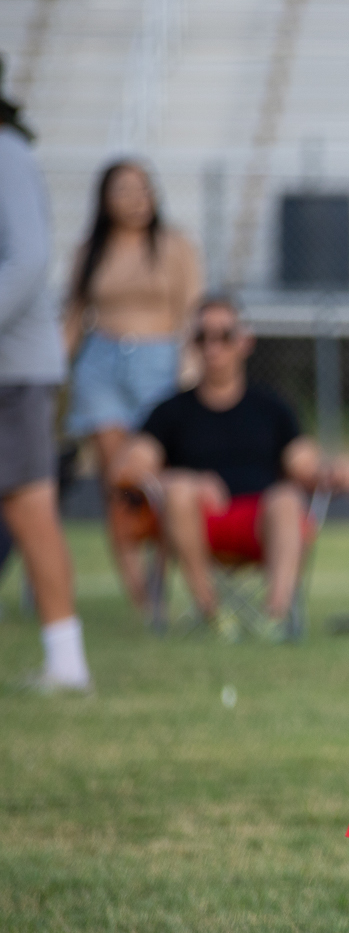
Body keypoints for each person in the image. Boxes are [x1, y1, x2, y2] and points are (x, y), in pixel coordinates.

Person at [118, 298, 349, 641]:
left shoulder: (272, 407)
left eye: (224, 336)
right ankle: (211, 611)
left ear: (244, 342)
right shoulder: (170, 411)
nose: (213, 347)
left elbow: (305, 466)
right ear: (194, 344)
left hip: (259, 523)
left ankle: (274, 617)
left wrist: (336, 474)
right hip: (195, 524)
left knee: (286, 499)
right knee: (177, 493)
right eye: (204, 337)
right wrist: (183, 480)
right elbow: (130, 469)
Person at [62, 159, 202, 607]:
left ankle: (159, 580)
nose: (135, 198)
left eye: (142, 188)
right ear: (105, 198)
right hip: (100, 362)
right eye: (123, 189)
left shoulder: (173, 245)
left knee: (153, 481)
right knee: (116, 481)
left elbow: (192, 308)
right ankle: (139, 596)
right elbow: (73, 317)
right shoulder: (91, 249)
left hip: (158, 361)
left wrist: (190, 365)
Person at [0, 56, 91, 693]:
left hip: (14, 370)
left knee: (31, 507)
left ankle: (67, 661)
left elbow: (29, 259)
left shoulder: (6, 152)